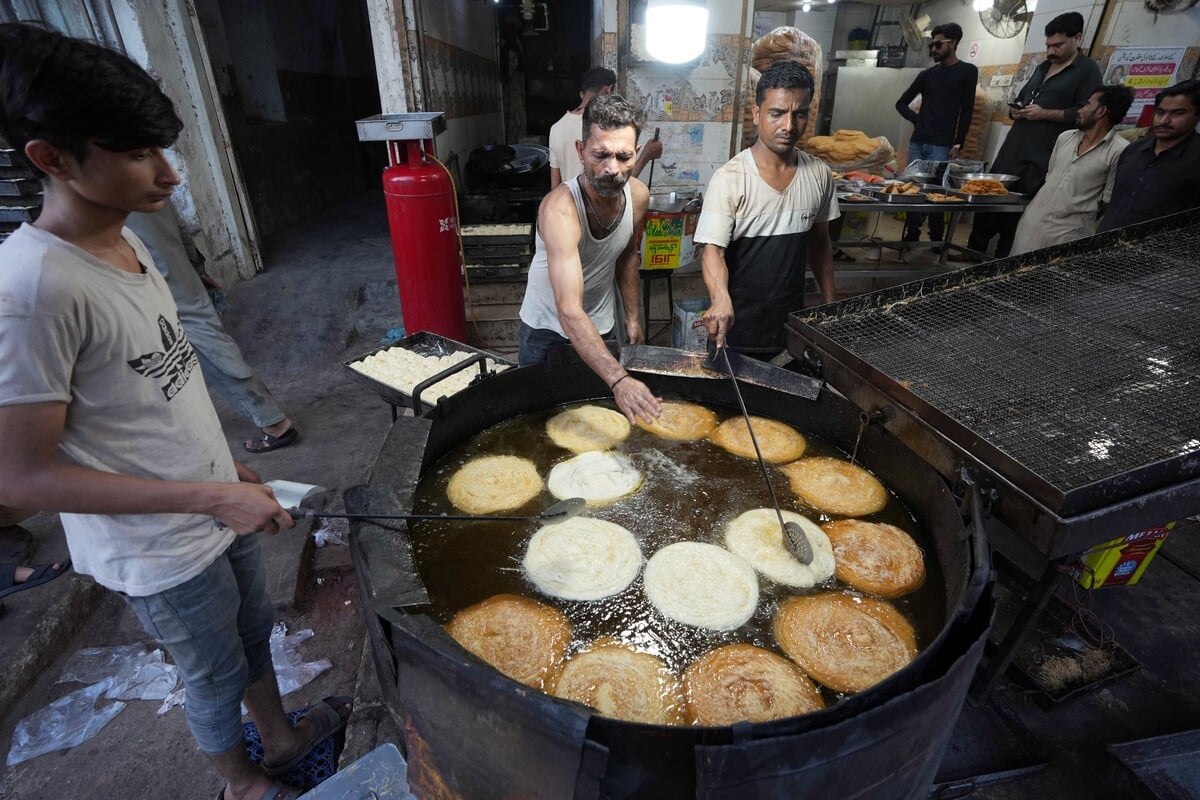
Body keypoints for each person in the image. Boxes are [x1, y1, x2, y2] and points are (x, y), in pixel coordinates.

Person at [0, 24, 346, 800]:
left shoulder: (129, 242)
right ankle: (240, 783)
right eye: (134, 154)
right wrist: (206, 493)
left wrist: (223, 470)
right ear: (51, 159)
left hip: (210, 504)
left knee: (254, 637)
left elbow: (155, 387)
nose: (167, 174)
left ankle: (283, 740)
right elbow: (21, 473)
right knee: (213, 672)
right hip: (157, 544)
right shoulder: (32, 290)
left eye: (163, 149)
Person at [518, 93, 663, 425]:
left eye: (624, 156)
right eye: (601, 155)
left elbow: (628, 255)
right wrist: (619, 378)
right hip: (547, 331)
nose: (612, 169)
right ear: (581, 152)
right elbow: (568, 309)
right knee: (542, 428)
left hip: (603, 326)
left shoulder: (638, 196)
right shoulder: (560, 209)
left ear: (636, 153)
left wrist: (632, 317)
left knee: (602, 424)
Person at [694, 61, 838, 360]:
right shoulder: (730, 179)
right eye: (777, 113)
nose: (788, 125)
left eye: (798, 114)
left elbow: (820, 241)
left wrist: (829, 303)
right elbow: (712, 251)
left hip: (792, 327)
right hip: (736, 331)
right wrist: (720, 299)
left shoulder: (820, 175)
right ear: (757, 113)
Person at [126, 206, 299, 453]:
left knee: (207, 346)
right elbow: (183, 231)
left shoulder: (106, 187)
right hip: (175, 274)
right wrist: (197, 271)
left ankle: (274, 423)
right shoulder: (150, 179)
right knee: (191, 346)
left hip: (156, 282)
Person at [958, 12, 1102, 260]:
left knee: (1020, 207)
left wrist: (1045, 113)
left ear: (1077, 38)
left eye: (1058, 45)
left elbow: (1086, 114)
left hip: (1043, 152)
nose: (1051, 51)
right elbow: (1025, 98)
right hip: (1015, 146)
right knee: (991, 196)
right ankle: (973, 252)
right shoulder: (1043, 67)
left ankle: (1003, 260)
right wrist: (1018, 111)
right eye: (1048, 45)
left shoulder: (1087, 70)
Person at [1011, 84, 1133, 255]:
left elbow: (1106, 201)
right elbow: (1051, 176)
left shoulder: (1119, 150)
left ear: (1101, 111)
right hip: (1032, 223)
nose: (1080, 110)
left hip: (1068, 236)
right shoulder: (1065, 138)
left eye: (1087, 105)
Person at [894, 23, 978, 244]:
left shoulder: (967, 72)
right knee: (914, 189)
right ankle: (911, 235)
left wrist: (958, 143)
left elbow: (967, 110)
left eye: (938, 45)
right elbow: (901, 103)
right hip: (919, 142)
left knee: (938, 192)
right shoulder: (927, 75)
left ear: (954, 43)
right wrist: (917, 121)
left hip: (942, 144)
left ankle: (936, 238)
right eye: (931, 45)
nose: (933, 50)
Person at [1098, 80, 1200, 232]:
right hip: (1103, 246)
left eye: (1178, 113)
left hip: (1156, 252)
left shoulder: (1195, 159)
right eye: (1160, 112)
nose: (1164, 120)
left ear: (1197, 115)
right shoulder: (1133, 150)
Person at [548, 66, 662, 190]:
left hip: (570, 206)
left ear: (582, 94)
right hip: (602, 206)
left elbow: (555, 187)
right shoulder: (604, 126)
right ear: (609, 90)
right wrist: (646, 156)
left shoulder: (556, 128)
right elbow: (618, 186)